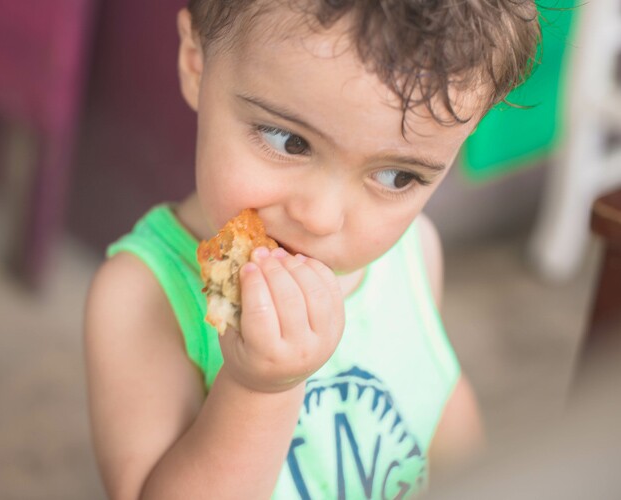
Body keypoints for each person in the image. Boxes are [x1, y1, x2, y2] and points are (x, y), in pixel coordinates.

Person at [83, 1, 541, 498]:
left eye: (396, 176)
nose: (321, 218)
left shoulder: (413, 253)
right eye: (288, 141)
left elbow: (437, 410)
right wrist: (259, 389)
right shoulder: (141, 297)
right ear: (196, 61)